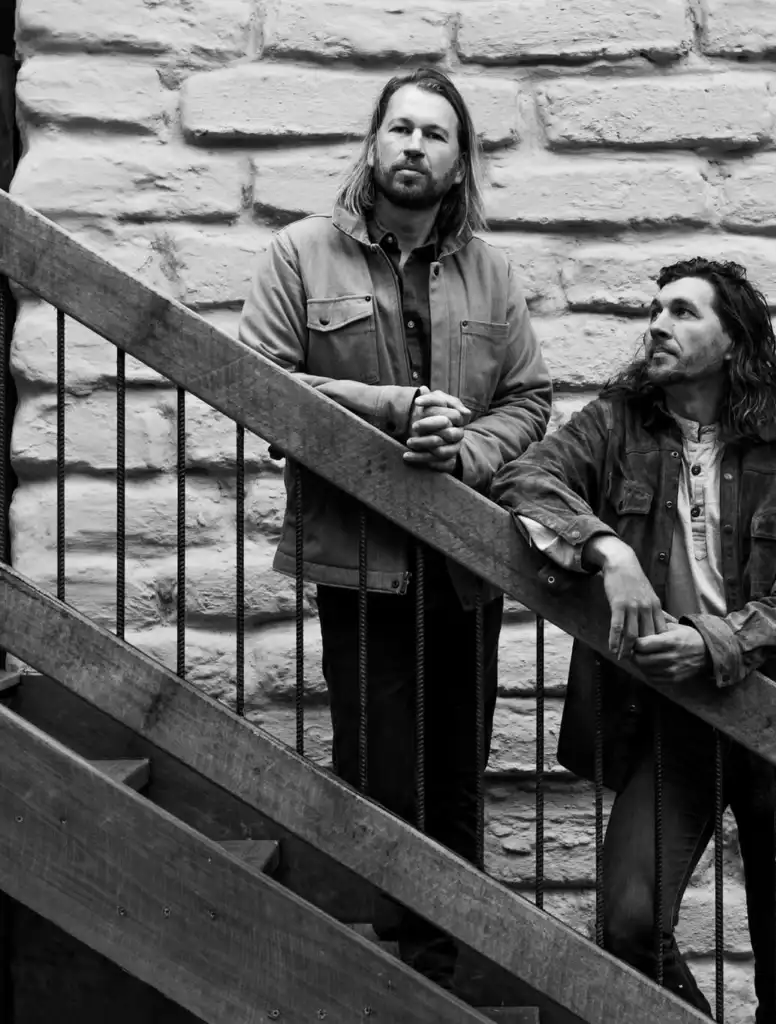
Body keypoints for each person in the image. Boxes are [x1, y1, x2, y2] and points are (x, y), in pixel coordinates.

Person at [238, 67, 552, 988]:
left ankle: (440, 978)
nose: (415, 146)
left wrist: (468, 453)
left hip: (464, 565)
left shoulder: (493, 273)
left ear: (459, 164)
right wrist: (391, 408)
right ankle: (390, 971)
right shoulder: (300, 254)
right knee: (378, 771)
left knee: (456, 778)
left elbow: (530, 397)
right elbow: (259, 383)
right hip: (359, 560)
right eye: (401, 128)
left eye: (435, 135)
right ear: (374, 143)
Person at [490, 257, 776, 1021]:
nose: (658, 324)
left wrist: (714, 643)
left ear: (733, 340)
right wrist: (606, 550)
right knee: (629, 924)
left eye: (683, 312)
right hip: (671, 718)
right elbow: (524, 478)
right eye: (655, 311)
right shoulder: (616, 423)